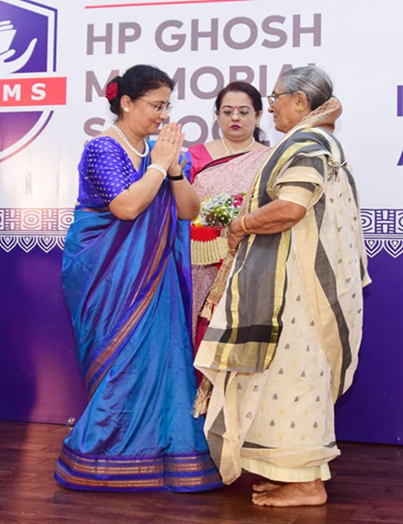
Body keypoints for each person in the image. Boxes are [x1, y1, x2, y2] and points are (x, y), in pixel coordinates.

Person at [194, 66, 371, 506]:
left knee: (296, 381)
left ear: (300, 102)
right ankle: (294, 475)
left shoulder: (307, 143)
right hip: (296, 288)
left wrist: (241, 224)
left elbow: (291, 207)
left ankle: (308, 484)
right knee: (285, 382)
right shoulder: (315, 141)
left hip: (302, 292)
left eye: (275, 98)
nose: (271, 107)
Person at [55, 64, 222, 492]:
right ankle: (102, 457)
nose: (163, 115)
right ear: (127, 103)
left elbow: (189, 211)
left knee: (159, 362)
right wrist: (159, 165)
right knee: (121, 364)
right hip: (107, 277)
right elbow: (126, 208)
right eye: (156, 106)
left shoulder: (159, 152)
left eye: (167, 106)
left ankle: (162, 453)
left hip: (154, 277)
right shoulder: (103, 149)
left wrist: (174, 170)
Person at [187, 82, 270, 346]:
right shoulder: (195, 156)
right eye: (227, 111)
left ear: (258, 116)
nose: (235, 117)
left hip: (249, 257)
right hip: (201, 261)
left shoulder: (270, 159)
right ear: (217, 115)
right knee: (200, 328)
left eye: (243, 112)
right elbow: (181, 205)